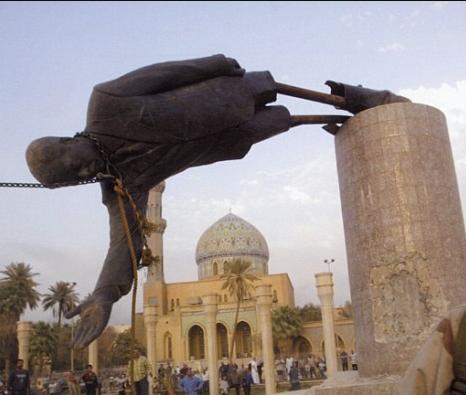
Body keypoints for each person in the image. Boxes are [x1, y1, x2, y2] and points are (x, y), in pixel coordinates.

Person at [26, 54, 409, 348]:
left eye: (73, 167)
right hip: (222, 140)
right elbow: (123, 244)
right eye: (74, 181)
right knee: (280, 121)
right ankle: (328, 118)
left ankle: (353, 97)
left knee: (276, 90)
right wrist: (105, 294)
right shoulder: (121, 184)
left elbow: (165, 73)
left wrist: (214, 63)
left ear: (65, 142)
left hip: (215, 97)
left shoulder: (105, 102)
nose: (83, 174)